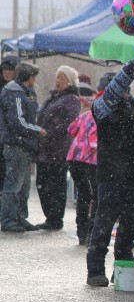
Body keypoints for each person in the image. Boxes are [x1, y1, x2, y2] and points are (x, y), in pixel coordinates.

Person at [86, 50, 134, 287]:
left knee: (130, 225)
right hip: (111, 176)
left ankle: (123, 265)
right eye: (122, 89)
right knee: (104, 224)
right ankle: (95, 270)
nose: (125, 93)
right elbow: (116, 87)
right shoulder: (101, 107)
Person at [0, 63, 46, 232]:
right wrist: (37, 130)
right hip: (16, 145)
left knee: (23, 186)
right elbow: (18, 122)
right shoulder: (16, 94)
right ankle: (9, 220)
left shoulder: (21, 92)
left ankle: (19, 217)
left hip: (22, 145)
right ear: (30, 77)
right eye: (34, 76)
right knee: (13, 185)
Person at [35, 66, 81, 230]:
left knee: (56, 185)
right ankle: (50, 216)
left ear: (70, 81)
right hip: (44, 149)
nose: (58, 81)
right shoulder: (52, 97)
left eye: (62, 78)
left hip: (58, 150)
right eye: (58, 77)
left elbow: (71, 123)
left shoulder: (72, 99)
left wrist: (50, 132)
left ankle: (55, 219)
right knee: (42, 183)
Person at [66, 84, 100, 245]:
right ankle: (90, 232)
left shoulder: (85, 115)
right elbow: (94, 144)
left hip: (74, 158)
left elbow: (71, 130)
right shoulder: (102, 119)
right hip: (90, 161)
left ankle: (82, 232)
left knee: (84, 194)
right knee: (96, 195)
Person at [0, 55, 19, 206]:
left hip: (10, 139)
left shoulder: (19, 89)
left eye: (10, 70)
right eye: (5, 69)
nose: (7, 72)